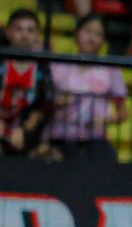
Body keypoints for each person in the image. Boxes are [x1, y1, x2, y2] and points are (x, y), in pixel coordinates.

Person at [45, 16, 127, 165]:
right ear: (77, 34)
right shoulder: (59, 65)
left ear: (103, 41)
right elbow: (43, 102)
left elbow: (123, 113)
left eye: (98, 34)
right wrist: (56, 103)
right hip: (60, 136)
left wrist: (104, 120)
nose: (92, 38)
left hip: (95, 138)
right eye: (88, 31)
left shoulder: (110, 69)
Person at [2, 11, 53, 158]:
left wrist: (24, 130)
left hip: (27, 134)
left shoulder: (43, 67)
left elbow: (46, 103)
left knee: (50, 157)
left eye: (30, 30)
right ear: (8, 32)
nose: (24, 35)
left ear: (37, 36)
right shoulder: (1, 63)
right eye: (19, 29)